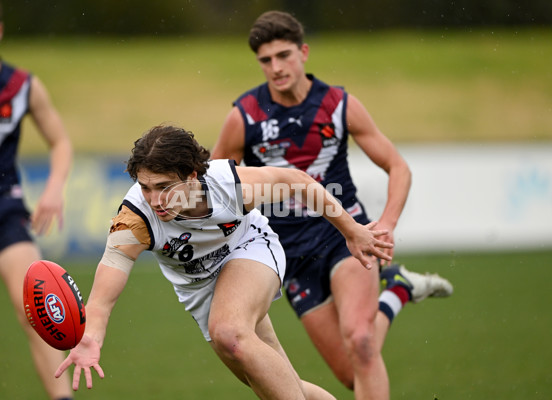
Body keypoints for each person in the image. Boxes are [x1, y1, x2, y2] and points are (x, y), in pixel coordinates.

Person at [211, 10, 453, 399]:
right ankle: (398, 292)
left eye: (284, 55)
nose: (276, 67)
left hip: (345, 233)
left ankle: (392, 290)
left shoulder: (339, 104)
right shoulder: (245, 116)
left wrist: (386, 224)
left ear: (304, 52)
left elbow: (398, 167)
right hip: (287, 253)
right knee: (348, 374)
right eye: (266, 60)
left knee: (361, 342)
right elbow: (216, 186)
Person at [55, 125, 394, 399]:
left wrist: (351, 231)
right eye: (145, 187)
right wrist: (91, 336)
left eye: (164, 186)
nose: (155, 199)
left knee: (229, 332)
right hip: (200, 292)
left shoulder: (227, 185)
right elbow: (102, 297)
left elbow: (298, 183)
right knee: (280, 384)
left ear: (191, 176)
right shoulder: (134, 221)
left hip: (249, 251)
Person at [0, 0, 74, 399]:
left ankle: (63, 397)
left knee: (36, 310)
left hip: (5, 212)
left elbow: (60, 141)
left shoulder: (23, 86)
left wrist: (54, 187)